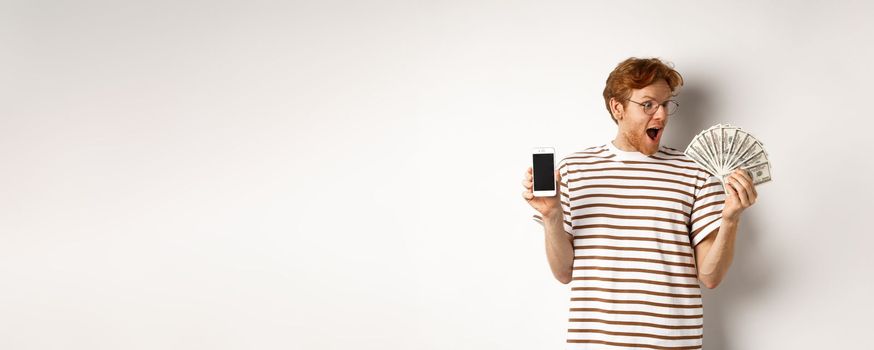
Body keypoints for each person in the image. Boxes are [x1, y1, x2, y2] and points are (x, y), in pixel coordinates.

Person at [521, 57, 758, 349]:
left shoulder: (695, 172)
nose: (660, 115)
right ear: (617, 107)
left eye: (665, 104)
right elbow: (563, 273)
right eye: (647, 105)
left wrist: (731, 218)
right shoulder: (574, 170)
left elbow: (709, 275)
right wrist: (552, 215)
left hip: (674, 344)